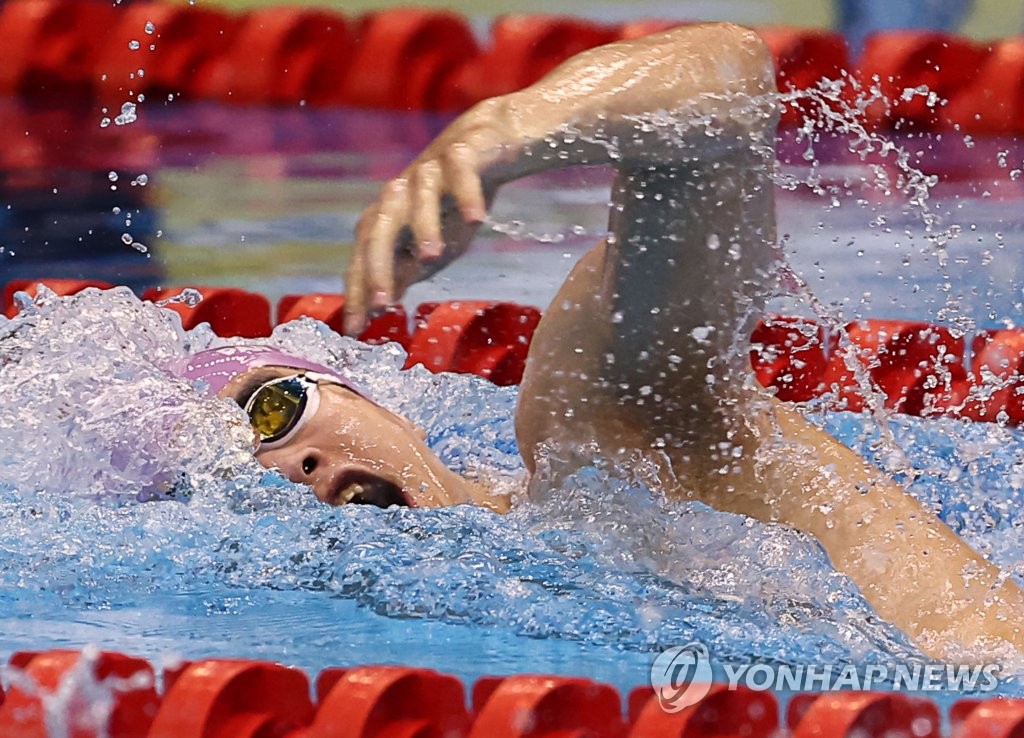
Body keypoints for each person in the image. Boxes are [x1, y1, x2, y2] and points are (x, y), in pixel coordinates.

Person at [189, 23, 1024, 661]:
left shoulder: (601, 430)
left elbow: (729, 81)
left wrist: (502, 132)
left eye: (270, 412)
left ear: (366, 395)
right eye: (230, 469)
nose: (283, 469)